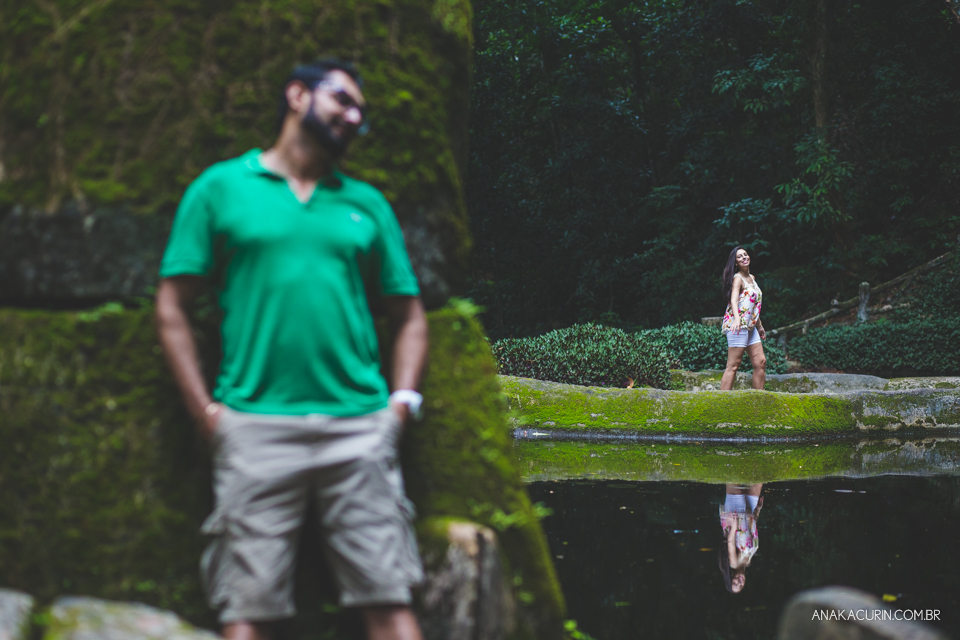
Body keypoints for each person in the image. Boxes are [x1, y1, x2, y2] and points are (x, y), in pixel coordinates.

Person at [155, 59, 428, 640]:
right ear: (298, 94)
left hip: (359, 431)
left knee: (390, 602)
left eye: (361, 112)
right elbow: (172, 306)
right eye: (343, 100)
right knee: (245, 613)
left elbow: (408, 314)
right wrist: (208, 415)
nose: (353, 117)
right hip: (254, 430)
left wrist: (400, 405)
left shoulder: (366, 204)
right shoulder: (220, 189)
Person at [719, 246, 766, 390]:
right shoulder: (737, 278)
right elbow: (733, 300)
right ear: (736, 263)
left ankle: (759, 399)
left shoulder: (752, 278)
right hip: (737, 326)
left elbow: (753, 306)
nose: (744, 257)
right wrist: (737, 320)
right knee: (733, 365)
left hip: (750, 327)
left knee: (760, 362)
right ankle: (721, 402)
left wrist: (759, 326)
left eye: (745, 254)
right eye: (740, 256)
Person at [717, 483, 763, 594]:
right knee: (757, 481)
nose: (739, 582)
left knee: (734, 481)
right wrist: (757, 511)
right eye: (740, 586)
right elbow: (751, 532)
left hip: (735, 517)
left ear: (731, 576)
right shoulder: (748, 561)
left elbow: (731, 543)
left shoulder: (734, 563)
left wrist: (733, 526)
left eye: (735, 583)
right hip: (749, 513)